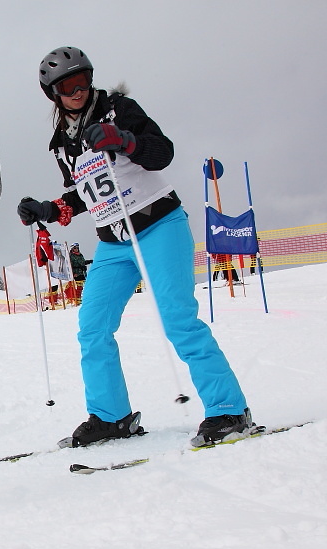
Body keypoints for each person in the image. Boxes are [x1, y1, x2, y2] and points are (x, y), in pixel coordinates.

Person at [16, 46, 256, 448]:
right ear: (52, 94)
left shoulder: (119, 109)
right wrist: (50, 208)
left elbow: (163, 152)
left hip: (158, 224)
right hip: (112, 242)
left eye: (83, 81)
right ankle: (111, 417)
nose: (78, 91)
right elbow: (85, 192)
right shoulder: (61, 143)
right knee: (92, 328)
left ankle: (228, 410)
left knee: (178, 319)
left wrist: (124, 140)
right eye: (67, 86)